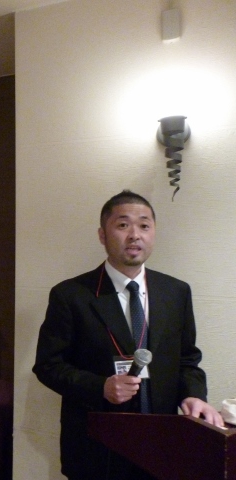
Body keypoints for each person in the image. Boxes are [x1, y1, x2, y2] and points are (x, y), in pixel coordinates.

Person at [32, 190, 223, 480]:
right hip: (96, 445)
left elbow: (187, 359)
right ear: (102, 235)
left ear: (154, 233)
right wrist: (100, 386)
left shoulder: (176, 292)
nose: (135, 235)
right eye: (123, 225)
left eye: (144, 225)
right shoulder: (71, 295)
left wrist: (194, 396)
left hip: (162, 443)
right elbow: (48, 366)